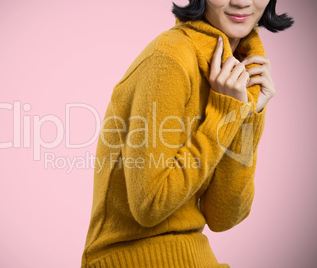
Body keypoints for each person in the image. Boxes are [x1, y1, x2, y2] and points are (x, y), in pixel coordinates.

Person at [81, 0, 293, 267]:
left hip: (195, 258)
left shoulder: (237, 69)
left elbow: (224, 216)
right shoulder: (169, 57)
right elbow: (150, 205)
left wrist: (247, 115)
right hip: (134, 259)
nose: (241, 1)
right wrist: (224, 114)